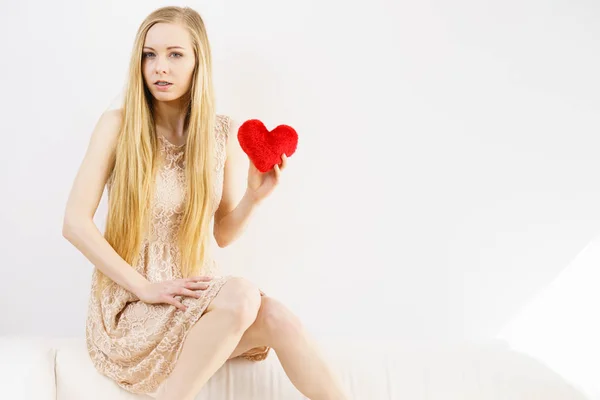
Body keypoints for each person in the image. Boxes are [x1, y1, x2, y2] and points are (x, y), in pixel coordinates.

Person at [62, 5, 349, 400]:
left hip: (193, 300)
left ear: (198, 61)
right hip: (133, 304)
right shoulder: (118, 126)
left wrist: (254, 197)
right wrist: (145, 288)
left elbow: (223, 233)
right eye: (150, 54)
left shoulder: (220, 133)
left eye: (175, 54)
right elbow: (74, 223)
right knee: (244, 295)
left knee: (278, 317)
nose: (160, 67)